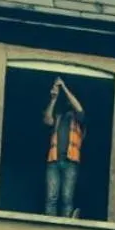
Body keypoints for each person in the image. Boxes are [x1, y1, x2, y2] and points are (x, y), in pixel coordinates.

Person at [43, 77, 85, 216]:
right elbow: (47, 120)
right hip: (53, 161)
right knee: (51, 198)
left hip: (71, 162)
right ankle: (50, 228)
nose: (68, 101)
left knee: (67, 198)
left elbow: (78, 108)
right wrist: (54, 98)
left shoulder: (79, 119)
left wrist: (64, 87)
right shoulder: (59, 116)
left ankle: (66, 227)